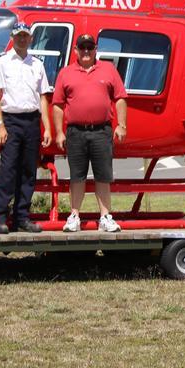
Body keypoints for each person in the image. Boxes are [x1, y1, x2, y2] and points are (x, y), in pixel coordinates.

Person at [52, 33, 128, 232]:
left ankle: (105, 217)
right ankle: (75, 216)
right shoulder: (66, 73)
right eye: (82, 47)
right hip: (75, 132)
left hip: (102, 131)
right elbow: (58, 105)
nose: (86, 51)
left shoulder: (109, 69)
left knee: (103, 175)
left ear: (96, 49)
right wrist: (59, 132)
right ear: (76, 50)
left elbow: (120, 98)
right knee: (77, 176)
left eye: (90, 47)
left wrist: (121, 124)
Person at [0, 22, 52, 234]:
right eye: (18, 36)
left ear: (31, 39)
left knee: (28, 171)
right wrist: (0, 125)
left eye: (25, 36)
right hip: (11, 120)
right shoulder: (2, 62)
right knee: (8, 171)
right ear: (12, 37)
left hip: (32, 121)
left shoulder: (37, 64)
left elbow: (43, 98)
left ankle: (22, 217)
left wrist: (47, 128)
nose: (22, 39)